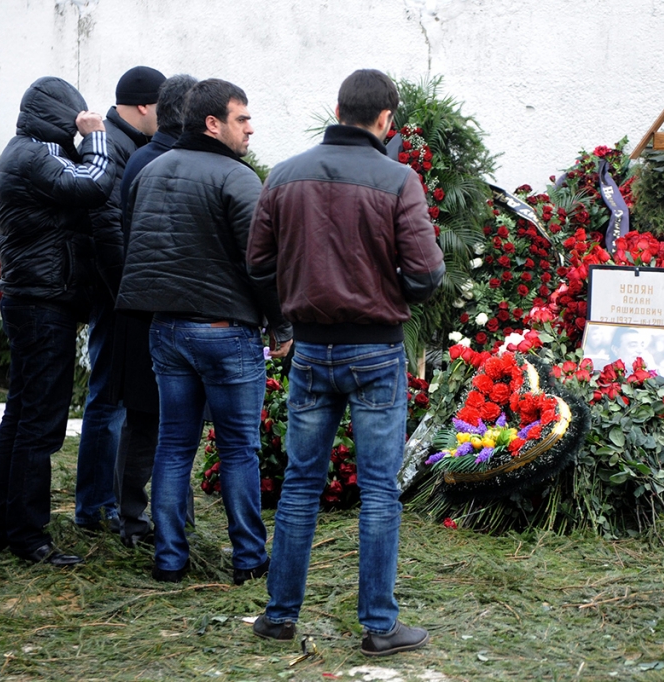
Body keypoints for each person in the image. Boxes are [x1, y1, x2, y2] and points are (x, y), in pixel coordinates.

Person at [248, 69, 444, 656]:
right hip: (376, 349)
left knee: (301, 484)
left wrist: (296, 296)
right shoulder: (398, 178)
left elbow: (258, 264)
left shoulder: (283, 175)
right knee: (380, 489)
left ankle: (280, 616)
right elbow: (429, 272)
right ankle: (379, 627)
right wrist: (392, 291)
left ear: (337, 109)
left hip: (310, 348)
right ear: (387, 122)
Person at [117, 78, 292, 583]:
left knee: (174, 446)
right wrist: (281, 325)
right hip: (224, 334)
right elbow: (263, 265)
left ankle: (169, 561)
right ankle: (250, 561)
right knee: (239, 448)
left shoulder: (151, 171)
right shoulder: (238, 179)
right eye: (243, 119)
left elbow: (138, 250)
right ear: (212, 123)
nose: (251, 128)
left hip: (166, 333)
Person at [0, 77, 116, 565]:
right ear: (64, 115)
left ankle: (1, 526)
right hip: (43, 304)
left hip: (32, 299)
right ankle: (29, 537)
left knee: (21, 416)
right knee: (40, 424)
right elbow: (93, 186)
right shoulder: (34, 156)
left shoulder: (23, 153)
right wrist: (97, 136)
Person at [75, 65, 166, 533]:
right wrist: (125, 297)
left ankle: (103, 503)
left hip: (121, 293)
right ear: (146, 106)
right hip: (116, 296)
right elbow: (106, 231)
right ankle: (96, 509)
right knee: (109, 400)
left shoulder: (123, 141)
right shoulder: (115, 145)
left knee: (115, 400)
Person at [110, 74, 198, 548]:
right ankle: (136, 521)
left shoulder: (150, 158)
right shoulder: (157, 163)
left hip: (145, 308)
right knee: (149, 421)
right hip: (151, 312)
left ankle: (163, 519)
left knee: (161, 421)